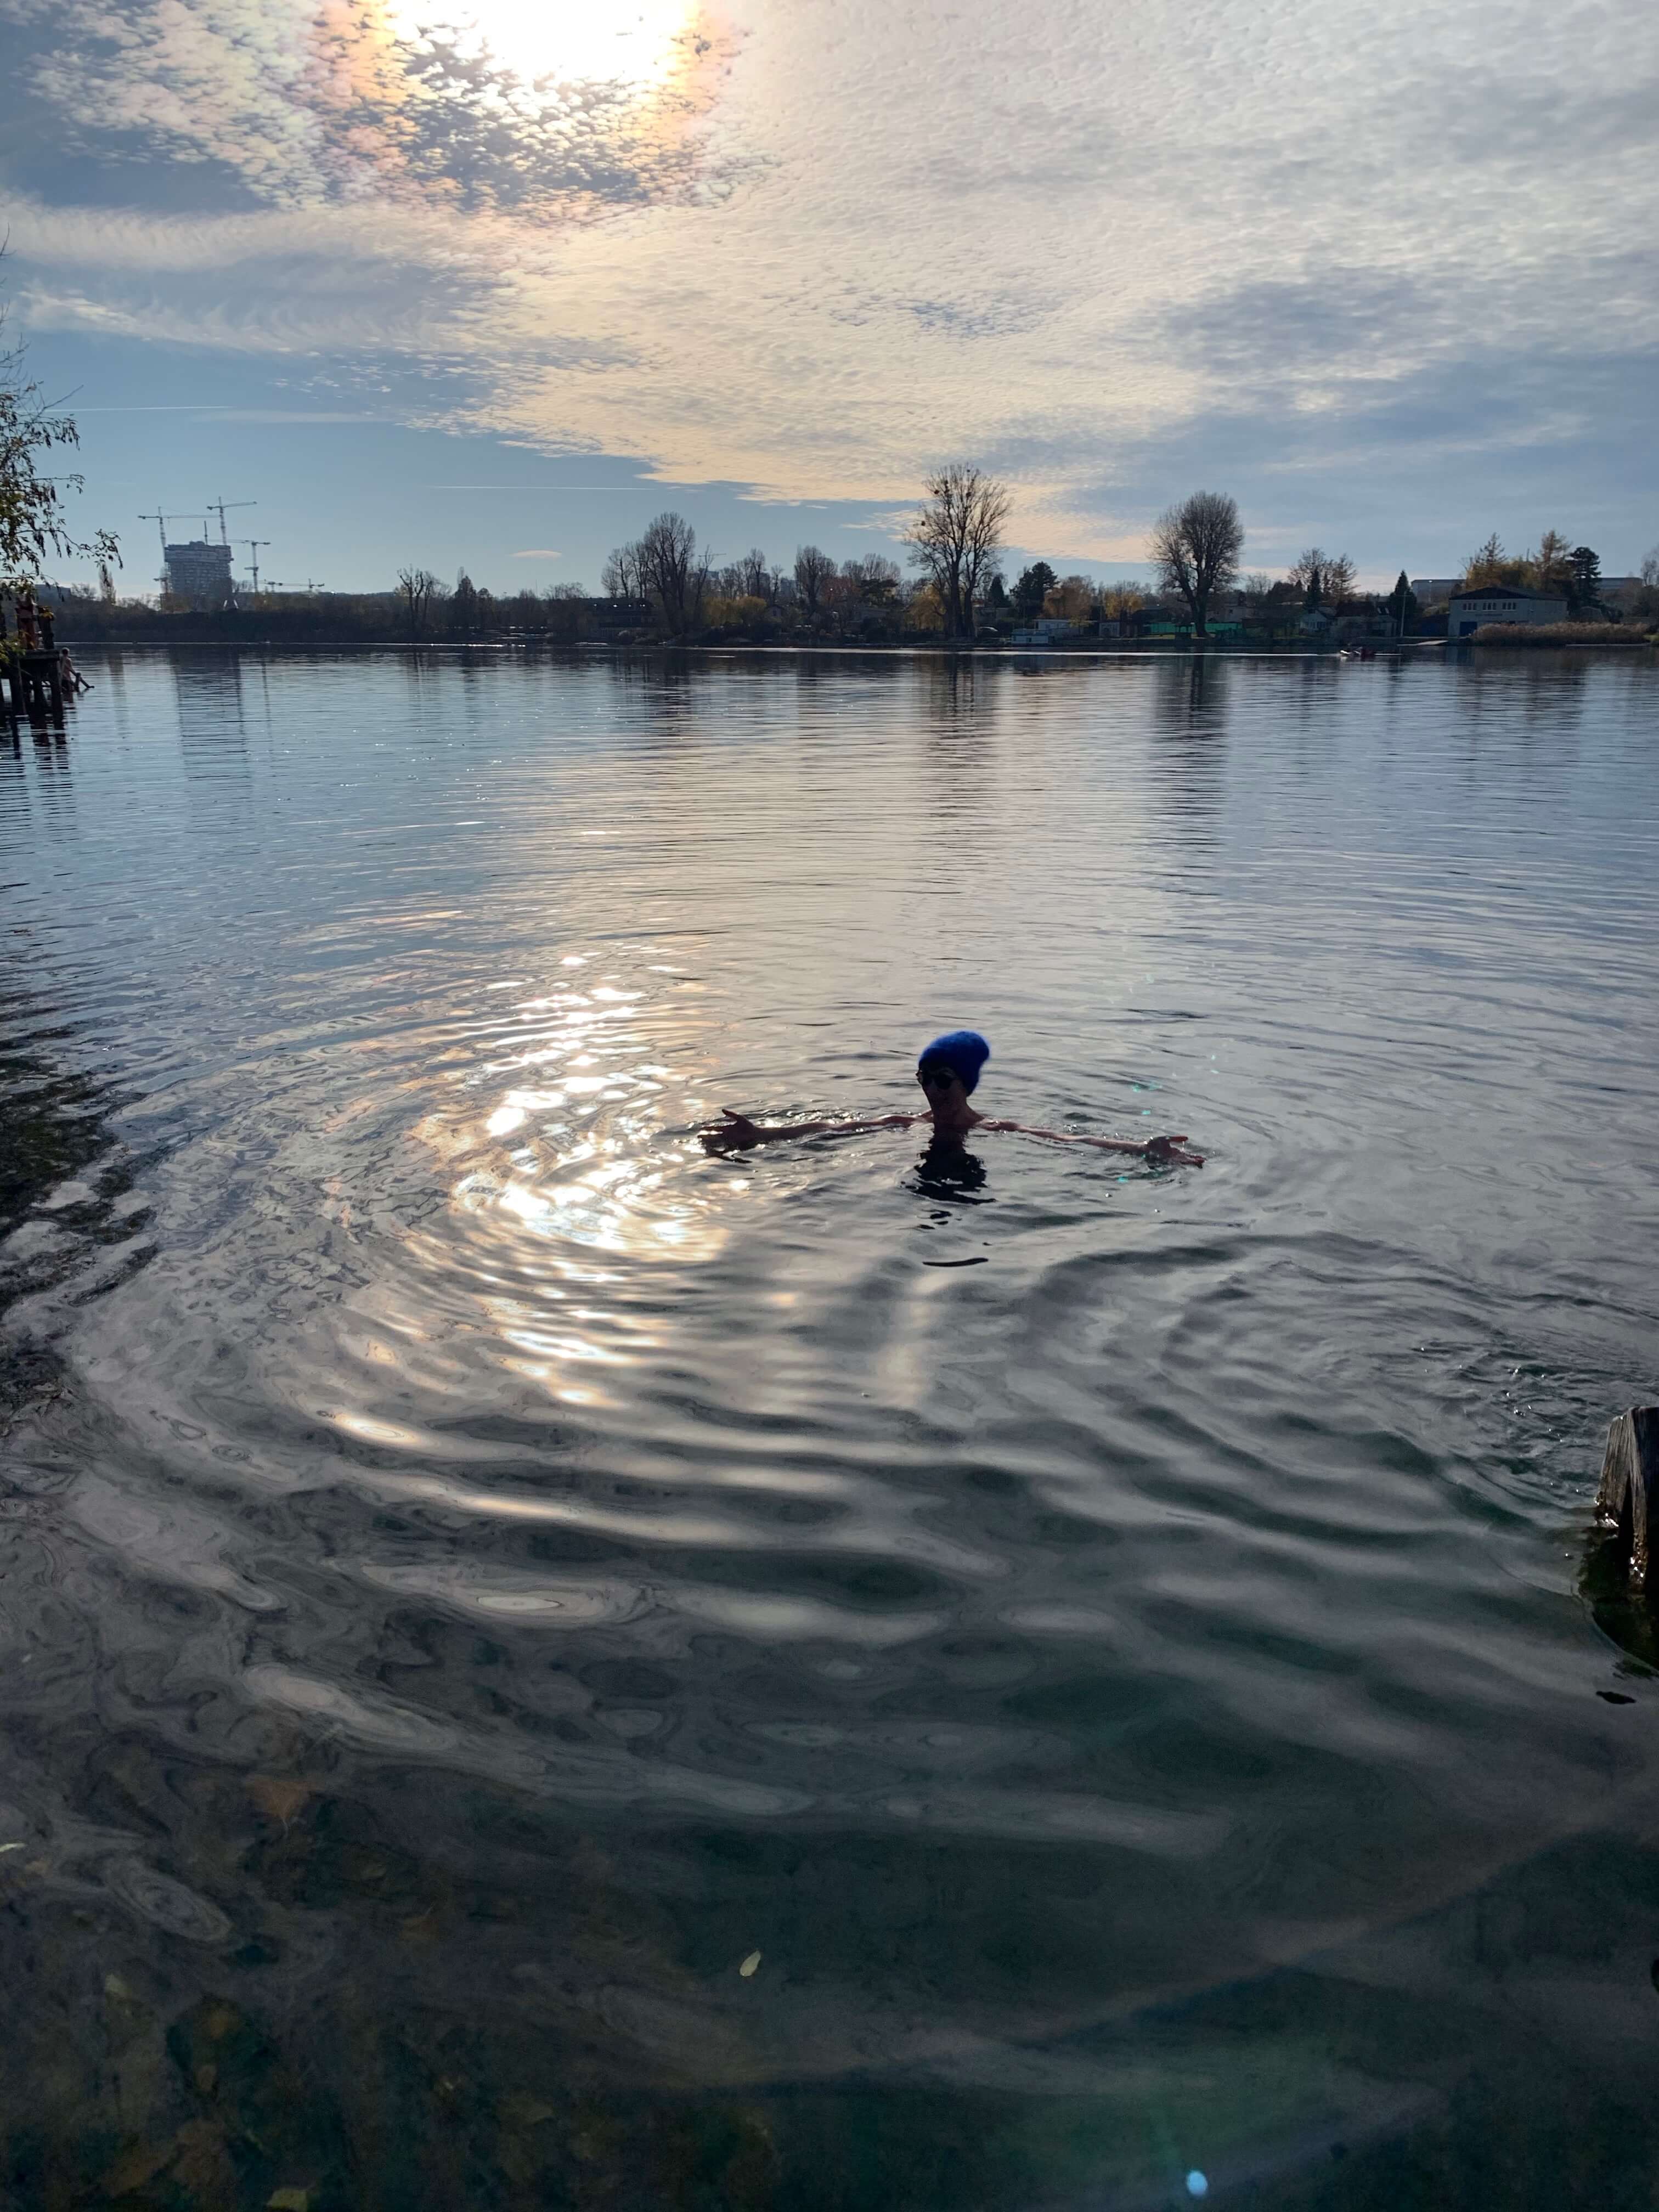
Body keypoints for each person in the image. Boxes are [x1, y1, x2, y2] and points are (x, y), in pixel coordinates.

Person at [700, 1030, 1204, 1165]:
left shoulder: (995, 1131)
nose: (932, 1089)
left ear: (964, 1083)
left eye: (942, 1078)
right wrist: (763, 1135)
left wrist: (1141, 1150)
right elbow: (830, 1130)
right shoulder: (906, 1123)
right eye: (923, 1078)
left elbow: (1069, 1139)